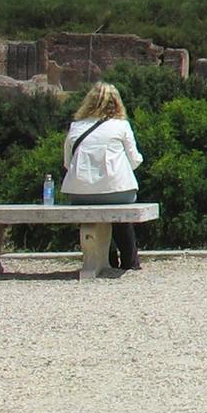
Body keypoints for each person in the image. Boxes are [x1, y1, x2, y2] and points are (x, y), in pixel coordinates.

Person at [61, 82, 145, 272]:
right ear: (117, 103)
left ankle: (107, 257)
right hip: (118, 190)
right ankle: (130, 260)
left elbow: (68, 163)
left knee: (95, 212)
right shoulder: (121, 125)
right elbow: (135, 160)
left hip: (79, 193)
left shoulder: (75, 127)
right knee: (121, 214)